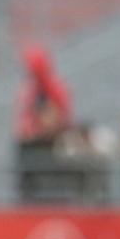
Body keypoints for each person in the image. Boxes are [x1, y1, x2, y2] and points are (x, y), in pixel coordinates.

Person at [15, 46, 72, 203]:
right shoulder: (31, 90)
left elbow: (63, 116)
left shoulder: (54, 88)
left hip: (52, 145)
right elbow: (24, 119)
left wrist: (48, 125)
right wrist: (30, 130)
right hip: (34, 145)